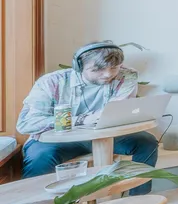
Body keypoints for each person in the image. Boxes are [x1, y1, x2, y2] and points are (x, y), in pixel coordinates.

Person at [17, 42, 159, 196]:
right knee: (40, 158)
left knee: (147, 142)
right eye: (97, 69)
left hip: (104, 136)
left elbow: (117, 111)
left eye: (114, 68)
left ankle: (139, 198)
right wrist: (82, 120)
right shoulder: (51, 82)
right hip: (57, 141)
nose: (108, 74)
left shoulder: (126, 76)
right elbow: (26, 123)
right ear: (79, 67)